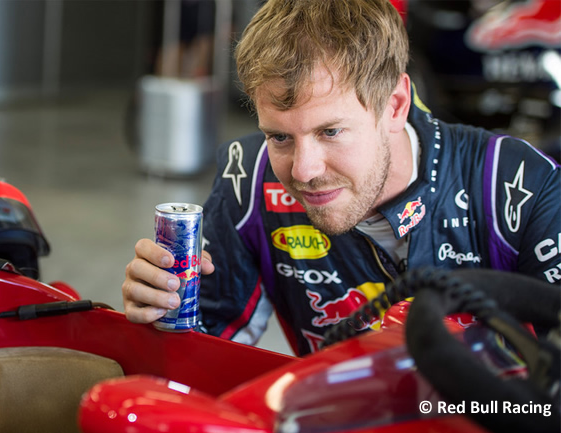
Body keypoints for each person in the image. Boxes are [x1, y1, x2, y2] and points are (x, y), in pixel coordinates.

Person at [123, 0, 561, 356]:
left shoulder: (519, 183)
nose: (304, 170)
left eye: (330, 131)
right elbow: (205, 357)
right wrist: (161, 312)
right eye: (279, 137)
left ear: (394, 105)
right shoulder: (249, 175)